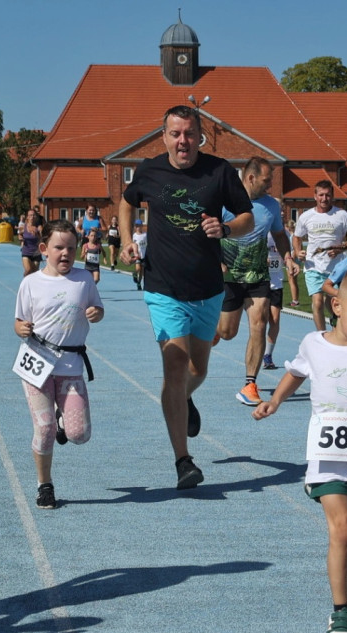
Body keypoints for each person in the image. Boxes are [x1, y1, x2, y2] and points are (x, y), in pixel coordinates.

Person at [253, 266, 347, 633]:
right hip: (326, 458)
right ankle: (341, 611)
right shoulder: (313, 344)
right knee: (342, 531)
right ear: (336, 306)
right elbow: (296, 373)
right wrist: (275, 400)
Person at [118, 105, 254, 489]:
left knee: (198, 371)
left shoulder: (219, 171)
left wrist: (225, 227)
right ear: (163, 136)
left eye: (190, 134)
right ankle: (183, 461)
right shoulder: (149, 170)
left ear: (200, 137)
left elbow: (247, 216)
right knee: (175, 371)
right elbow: (127, 202)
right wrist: (128, 242)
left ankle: (181, 400)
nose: (183, 141)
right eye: (175, 134)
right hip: (163, 288)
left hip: (208, 288)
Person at [14, 220, 104, 509]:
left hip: (71, 365)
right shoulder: (30, 283)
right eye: (58, 248)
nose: (65, 253)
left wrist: (96, 312)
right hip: (37, 363)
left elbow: (98, 308)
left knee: (80, 435)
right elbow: (18, 321)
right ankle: (45, 485)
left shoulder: (84, 280)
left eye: (70, 248)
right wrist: (21, 329)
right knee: (44, 428)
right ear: (43, 249)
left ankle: (62, 420)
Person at [215, 157, 297, 407]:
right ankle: (213, 331)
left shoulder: (271, 206)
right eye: (266, 179)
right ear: (251, 178)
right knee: (227, 333)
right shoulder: (224, 200)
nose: (270, 184)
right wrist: (217, 260)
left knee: (260, 322)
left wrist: (287, 256)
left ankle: (250, 384)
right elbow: (207, 232)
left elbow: (279, 234)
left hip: (258, 276)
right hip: (229, 277)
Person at [294, 180, 347, 331]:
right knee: (318, 302)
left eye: (327, 195)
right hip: (313, 266)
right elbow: (297, 237)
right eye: (321, 195)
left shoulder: (342, 215)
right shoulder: (306, 216)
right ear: (315, 196)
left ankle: (337, 328)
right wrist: (298, 251)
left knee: (335, 302)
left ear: (332, 196)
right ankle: (321, 336)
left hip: (336, 268)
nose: (324, 198)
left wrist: (340, 249)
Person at [262, 232, 287, 371]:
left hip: (276, 283)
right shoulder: (259, 230)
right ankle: (258, 351)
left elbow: (292, 253)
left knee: (275, 320)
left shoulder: (283, 234)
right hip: (260, 283)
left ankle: (268, 355)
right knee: (260, 321)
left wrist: (290, 256)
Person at [20, 209, 44, 276]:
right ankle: (24, 284)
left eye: (34, 215)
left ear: (36, 216)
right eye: (30, 215)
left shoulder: (39, 227)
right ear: (27, 217)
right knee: (28, 270)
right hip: (26, 252)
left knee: (34, 273)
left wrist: (38, 235)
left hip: (36, 253)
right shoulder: (24, 227)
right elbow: (20, 234)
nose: (32, 217)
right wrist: (21, 239)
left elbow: (43, 239)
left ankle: (32, 286)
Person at [284, 217, 301, 306]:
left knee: (292, 281)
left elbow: (294, 250)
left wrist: (291, 261)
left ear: (288, 227)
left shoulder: (291, 237)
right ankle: (295, 299)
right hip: (296, 261)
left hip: (293, 261)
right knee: (294, 281)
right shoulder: (295, 236)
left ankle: (295, 300)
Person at [131, 219, 147, 290]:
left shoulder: (145, 235)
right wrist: (134, 253)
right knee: (138, 268)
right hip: (137, 255)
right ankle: (134, 273)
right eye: (136, 226)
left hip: (143, 255)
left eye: (139, 226)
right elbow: (133, 245)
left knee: (142, 271)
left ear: (142, 226)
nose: (138, 227)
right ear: (135, 227)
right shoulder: (134, 235)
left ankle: (139, 283)